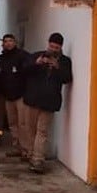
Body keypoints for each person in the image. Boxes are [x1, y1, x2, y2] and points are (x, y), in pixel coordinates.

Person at [22, 32, 73, 173]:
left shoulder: (65, 62)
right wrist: (36, 63)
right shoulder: (36, 55)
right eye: (51, 46)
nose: (53, 49)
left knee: (42, 131)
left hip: (49, 101)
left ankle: (38, 159)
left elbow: (67, 78)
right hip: (32, 99)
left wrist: (57, 67)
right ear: (48, 44)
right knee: (30, 130)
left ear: (60, 47)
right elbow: (24, 70)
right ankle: (32, 155)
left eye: (56, 47)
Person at [0, 34, 31, 158]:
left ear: (15, 42)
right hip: (7, 96)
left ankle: (26, 150)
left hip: (20, 96)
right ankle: (17, 147)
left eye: (10, 41)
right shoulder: (1, 59)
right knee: (12, 124)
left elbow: (28, 74)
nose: (8, 43)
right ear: (3, 44)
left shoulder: (23, 56)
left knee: (23, 124)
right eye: (6, 41)